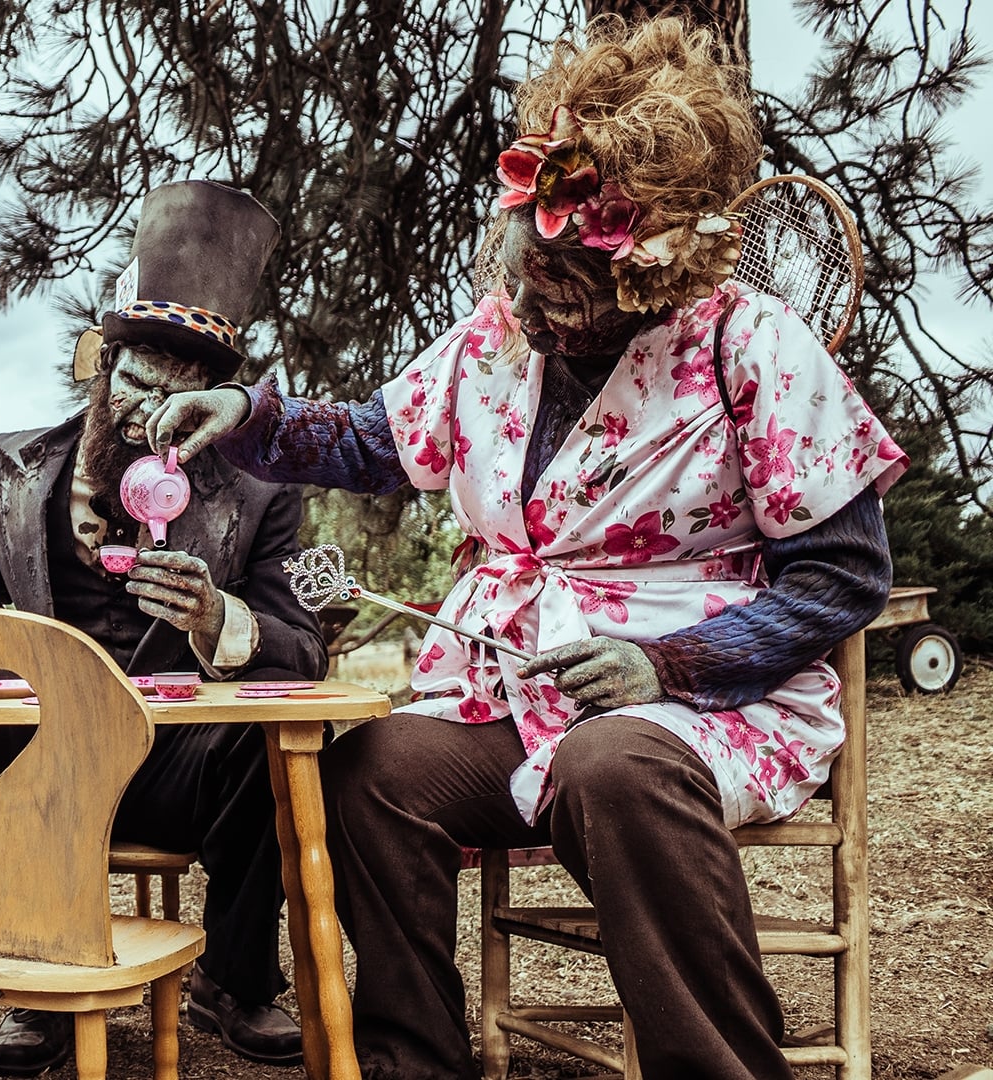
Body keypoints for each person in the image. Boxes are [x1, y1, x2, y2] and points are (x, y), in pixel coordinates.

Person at [151, 18, 904, 1080]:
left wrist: (665, 667)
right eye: (522, 277)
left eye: (564, 298)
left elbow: (844, 578)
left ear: (644, 282)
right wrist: (249, 410)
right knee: (370, 772)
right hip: (516, 692)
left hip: (705, 704)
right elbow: (376, 438)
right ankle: (417, 1061)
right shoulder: (502, 329)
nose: (528, 316)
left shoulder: (749, 343)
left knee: (613, 764)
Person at [0, 179, 329, 1073]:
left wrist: (218, 618)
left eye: (173, 400)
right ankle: (35, 974)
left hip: (173, 761)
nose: (146, 415)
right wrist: (13, 651)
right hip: (38, 752)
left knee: (266, 738)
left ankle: (234, 979)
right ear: (99, 366)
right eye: (134, 382)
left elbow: (304, 650)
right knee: (3, 722)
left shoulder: (260, 493)